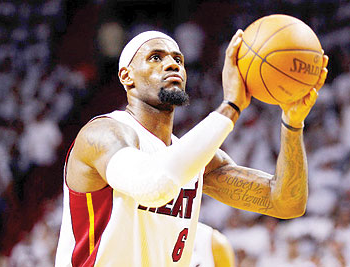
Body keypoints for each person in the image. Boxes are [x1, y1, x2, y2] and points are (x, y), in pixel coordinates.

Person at [55, 29, 328, 266]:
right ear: (127, 76)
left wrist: (292, 124)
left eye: (178, 60)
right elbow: (153, 186)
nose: (171, 64)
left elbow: (286, 202)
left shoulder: (194, 159)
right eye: (155, 57)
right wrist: (230, 107)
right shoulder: (102, 134)